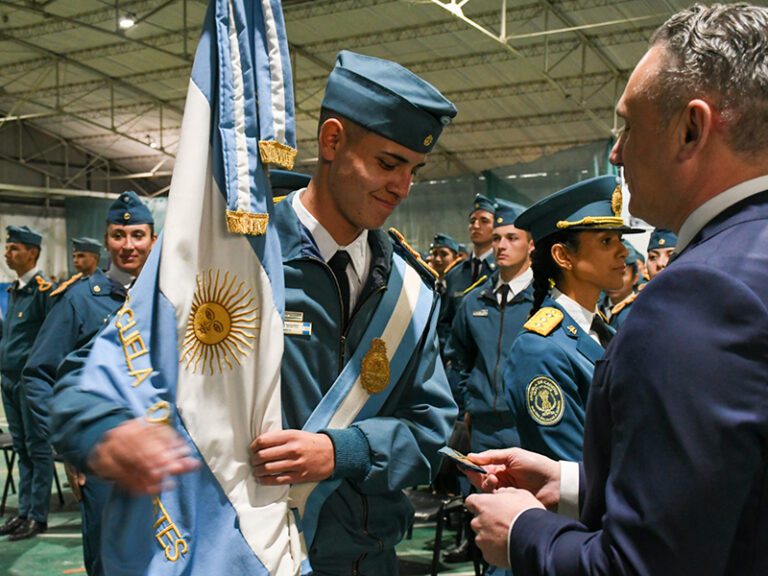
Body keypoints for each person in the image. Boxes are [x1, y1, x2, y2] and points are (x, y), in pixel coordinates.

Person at [464, 4, 768, 574]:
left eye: (628, 125)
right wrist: (578, 483)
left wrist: (525, 530)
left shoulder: (701, 292)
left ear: (691, 129)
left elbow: (646, 564)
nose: (616, 152)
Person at [249, 50, 458, 575]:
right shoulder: (240, 256)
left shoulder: (411, 293)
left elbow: (431, 428)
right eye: (388, 163)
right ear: (332, 140)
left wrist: (347, 451)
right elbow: (109, 377)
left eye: (413, 170)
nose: (402, 187)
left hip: (368, 558)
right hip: (251, 552)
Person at [23, 192, 156, 574]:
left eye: (137, 235)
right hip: (104, 459)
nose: (128, 245)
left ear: (153, 239)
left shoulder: (170, 297)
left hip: (162, 456)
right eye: (118, 235)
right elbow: (38, 376)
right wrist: (73, 445)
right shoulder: (80, 301)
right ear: (106, 239)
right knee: (108, 562)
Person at [504, 176, 639, 462]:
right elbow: (568, 465)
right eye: (606, 241)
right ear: (563, 256)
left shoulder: (600, 329)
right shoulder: (539, 350)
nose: (623, 252)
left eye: (620, 239)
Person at [446, 199, 534, 455]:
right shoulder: (475, 301)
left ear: (530, 245)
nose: (501, 246)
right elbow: (458, 359)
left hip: (528, 425)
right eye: (496, 239)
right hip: (483, 427)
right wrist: (468, 404)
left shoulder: (544, 301)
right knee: (481, 494)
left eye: (511, 238)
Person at [0, 225, 55, 541]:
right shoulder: (14, 290)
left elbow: (51, 339)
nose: (8, 253)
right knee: (22, 448)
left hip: (30, 384)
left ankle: (38, 516)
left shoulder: (44, 292)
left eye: (14, 248)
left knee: (38, 447)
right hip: (9, 381)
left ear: (32, 253)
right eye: (8, 248)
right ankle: (23, 512)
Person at [439, 194, 498, 351]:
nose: (476, 226)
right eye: (472, 221)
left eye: (484, 221)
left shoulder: (502, 271)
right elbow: (445, 321)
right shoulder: (454, 274)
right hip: (458, 362)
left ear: (496, 227)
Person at [601, 240, 642, 330]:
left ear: (635, 278)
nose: (613, 280)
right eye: (609, 273)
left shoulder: (640, 311)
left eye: (622, 274)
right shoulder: (597, 308)